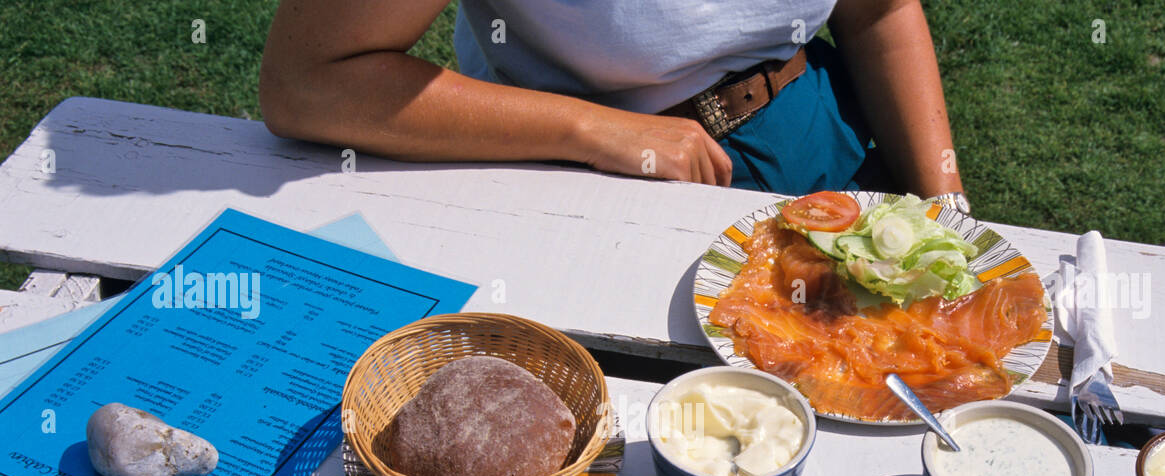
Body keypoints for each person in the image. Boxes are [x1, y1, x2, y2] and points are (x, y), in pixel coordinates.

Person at [260, 0, 967, 204]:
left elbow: (879, 12)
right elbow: (309, 80)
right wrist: (592, 129)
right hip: (599, 193)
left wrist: (949, 212)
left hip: (824, 144)